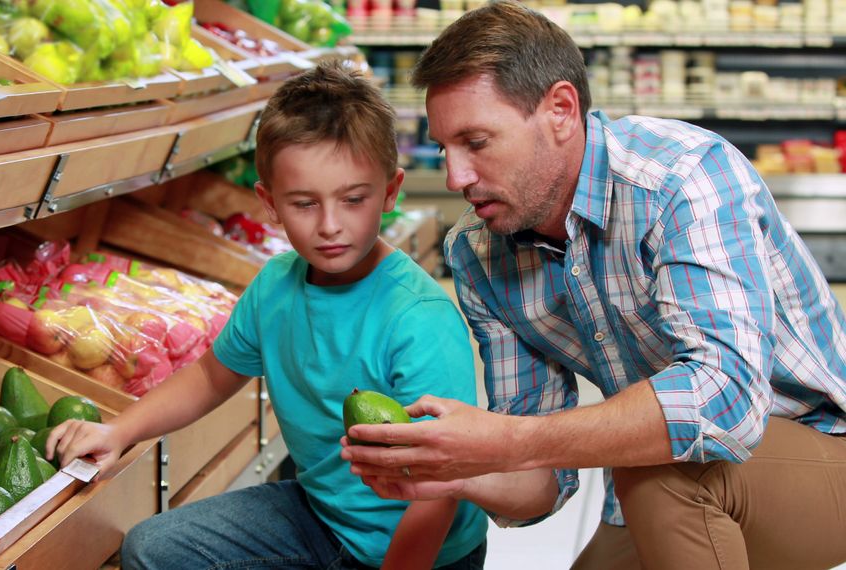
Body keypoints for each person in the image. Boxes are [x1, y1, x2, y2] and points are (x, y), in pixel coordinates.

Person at [340, 2, 846, 569]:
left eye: (476, 142)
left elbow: (722, 401)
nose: (456, 177)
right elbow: (542, 480)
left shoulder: (681, 179)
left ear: (560, 109)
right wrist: (455, 469)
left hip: (823, 449)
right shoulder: (479, 252)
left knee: (661, 482)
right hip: (668, 481)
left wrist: (507, 440)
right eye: (444, 149)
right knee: (651, 490)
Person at [45, 61, 490, 569]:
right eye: (304, 203)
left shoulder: (419, 318)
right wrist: (119, 432)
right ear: (269, 202)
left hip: (426, 551)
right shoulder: (276, 286)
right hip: (322, 515)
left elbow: (439, 489)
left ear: (390, 191)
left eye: (353, 200)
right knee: (151, 550)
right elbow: (212, 376)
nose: (329, 226)